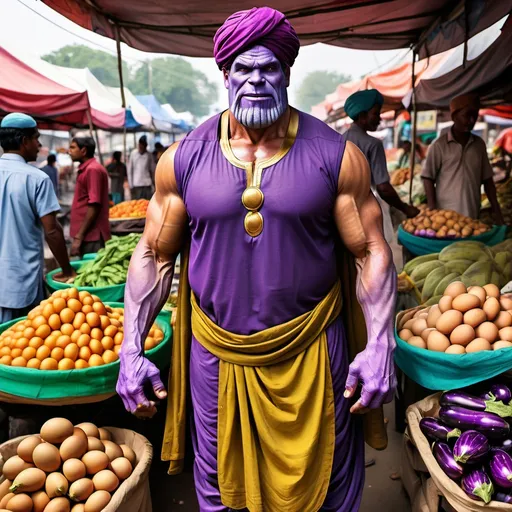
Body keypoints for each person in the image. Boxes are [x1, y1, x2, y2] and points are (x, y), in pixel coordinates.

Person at [116, 7, 397, 512]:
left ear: (287, 74)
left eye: (269, 69)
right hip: (217, 355)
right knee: (220, 483)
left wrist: (380, 345)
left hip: (311, 350)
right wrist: (130, 348)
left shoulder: (334, 154)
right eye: (244, 69)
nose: (257, 81)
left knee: (327, 482)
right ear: (225, 75)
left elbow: (372, 250)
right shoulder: (184, 157)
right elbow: (154, 254)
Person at [0, 113, 74, 323]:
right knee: (24, 347)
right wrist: (67, 269)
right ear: (24, 141)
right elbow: (52, 230)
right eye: (36, 138)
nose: (39, 144)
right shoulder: (37, 179)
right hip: (22, 281)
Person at [421, 93, 504, 222]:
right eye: (467, 115)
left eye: (474, 116)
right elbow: (428, 178)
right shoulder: (439, 146)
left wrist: (496, 208)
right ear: (454, 116)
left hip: (472, 215)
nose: (471, 121)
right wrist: (432, 209)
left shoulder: (479, 145)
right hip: (445, 217)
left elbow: (488, 180)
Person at [344, 90, 420, 223]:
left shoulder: (338, 141)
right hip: (369, 212)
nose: (379, 119)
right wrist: (406, 208)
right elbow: (383, 188)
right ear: (362, 116)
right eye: (376, 114)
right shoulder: (373, 144)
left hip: (344, 214)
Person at [68, 136, 111, 258]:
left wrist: (79, 236)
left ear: (84, 151)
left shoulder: (93, 170)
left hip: (92, 235)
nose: (69, 151)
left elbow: (94, 204)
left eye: (72, 147)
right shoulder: (86, 169)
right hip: (87, 235)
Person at [127, 135, 155, 200]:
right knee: (138, 204)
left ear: (146, 146)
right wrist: (131, 185)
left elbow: (153, 169)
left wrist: (154, 184)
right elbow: (129, 171)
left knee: (147, 203)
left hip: (147, 183)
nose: (142, 147)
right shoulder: (133, 154)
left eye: (144, 146)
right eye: (141, 145)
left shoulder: (149, 155)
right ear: (139, 145)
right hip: (137, 184)